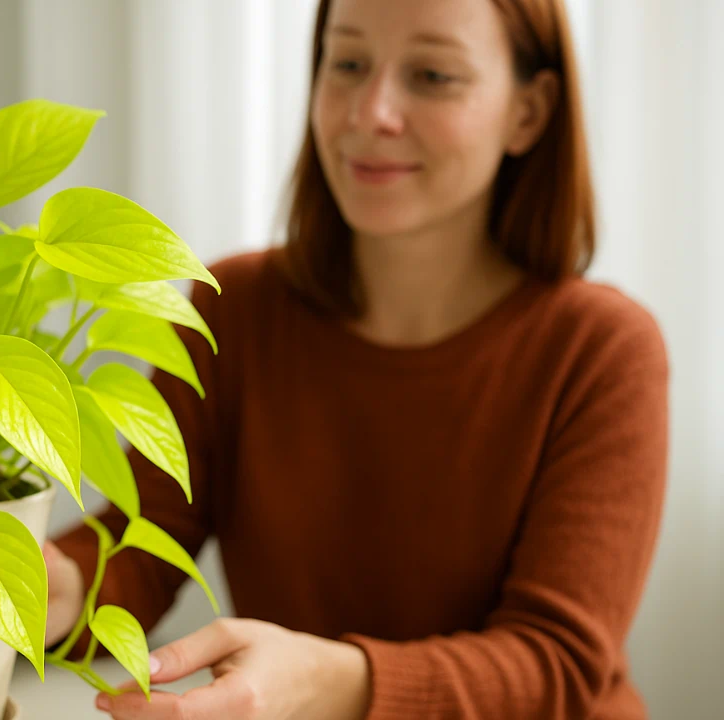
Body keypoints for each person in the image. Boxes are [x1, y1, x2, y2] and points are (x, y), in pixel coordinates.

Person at [44, 0, 669, 717]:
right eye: (347, 63)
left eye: (432, 76)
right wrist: (54, 588)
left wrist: (336, 681)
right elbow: (142, 543)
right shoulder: (234, 309)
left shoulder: (602, 350)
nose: (369, 113)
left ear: (529, 113)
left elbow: (555, 662)